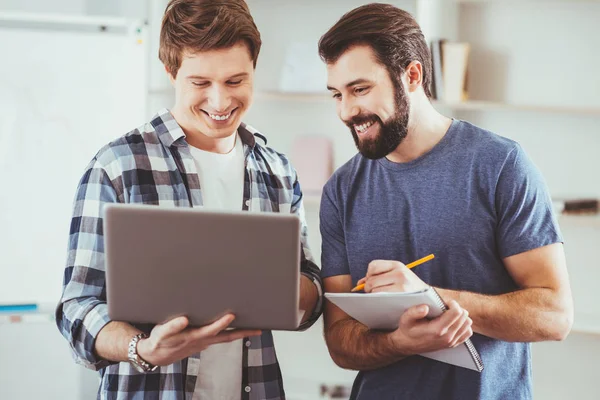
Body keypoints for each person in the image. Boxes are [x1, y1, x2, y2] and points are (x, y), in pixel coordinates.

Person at [55, 0, 323, 398]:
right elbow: (76, 307)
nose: (220, 102)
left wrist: (279, 284)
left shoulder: (277, 171)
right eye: (200, 83)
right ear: (171, 71)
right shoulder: (117, 165)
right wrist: (142, 348)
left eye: (235, 82)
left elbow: (310, 298)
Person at [317, 3, 573, 399]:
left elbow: (554, 315)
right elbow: (339, 340)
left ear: (412, 75)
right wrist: (402, 340)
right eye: (337, 94)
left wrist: (432, 298)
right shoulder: (341, 190)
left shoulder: (500, 165)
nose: (347, 111)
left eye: (360, 89)